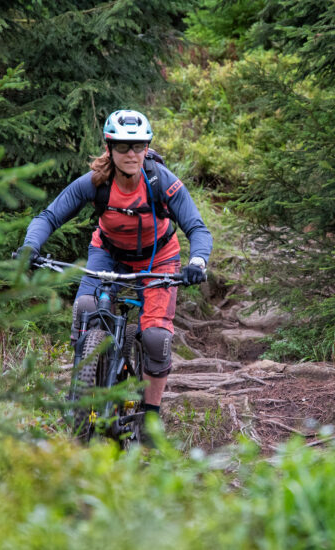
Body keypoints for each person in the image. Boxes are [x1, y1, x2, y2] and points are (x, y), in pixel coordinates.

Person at [17, 109, 212, 422]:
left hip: (159, 258)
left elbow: (197, 229)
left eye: (138, 146)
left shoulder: (162, 182)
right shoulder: (95, 182)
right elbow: (50, 216)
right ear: (110, 147)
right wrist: (30, 246)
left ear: (147, 148)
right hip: (108, 254)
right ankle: (82, 386)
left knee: (155, 338)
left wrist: (197, 262)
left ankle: (149, 414)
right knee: (84, 307)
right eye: (122, 146)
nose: (131, 153)